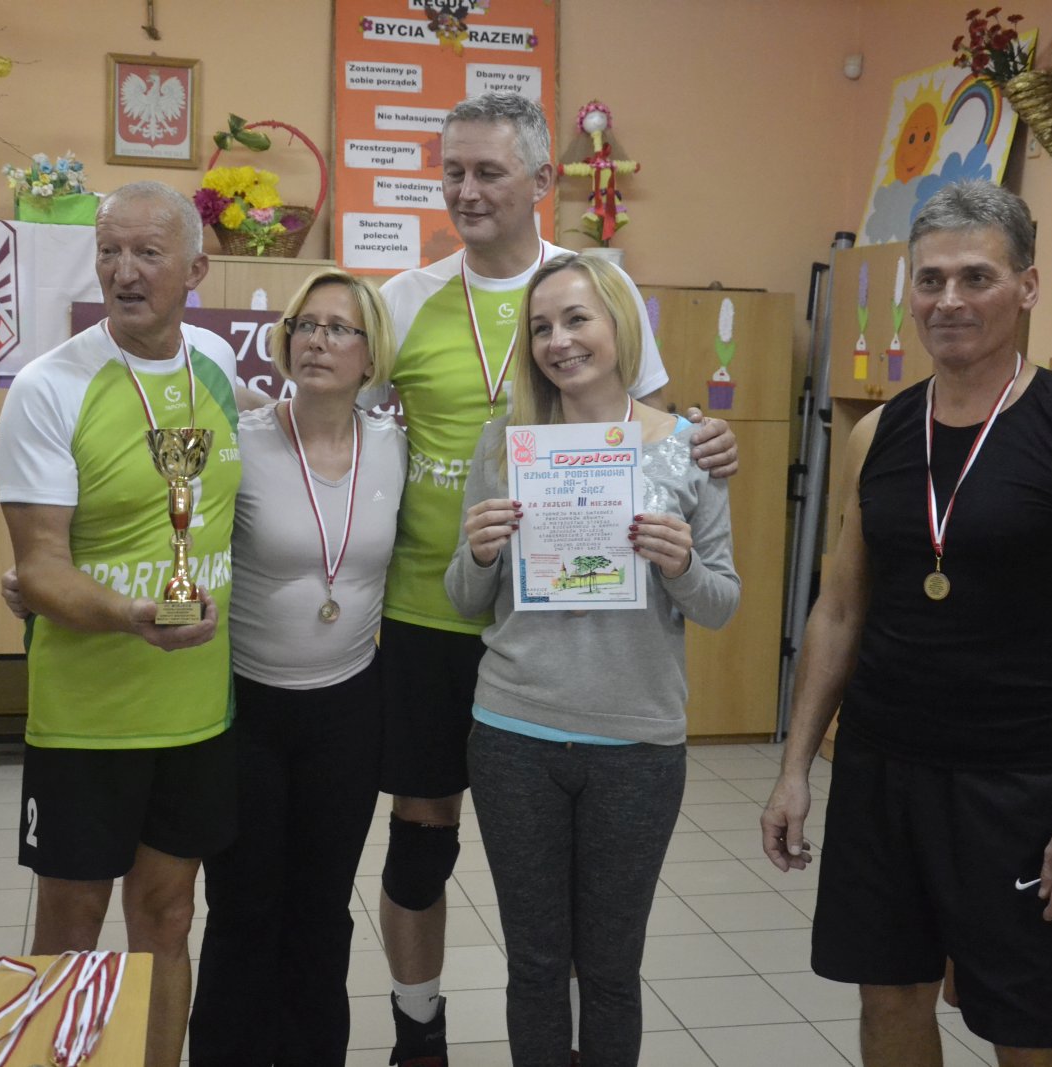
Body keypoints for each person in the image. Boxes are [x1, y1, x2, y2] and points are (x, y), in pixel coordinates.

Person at [372, 90, 739, 1066]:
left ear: (540, 180)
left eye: (488, 170)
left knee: (599, 954)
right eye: (452, 171)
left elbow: (654, 441)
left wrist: (704, 460)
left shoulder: (594, 295)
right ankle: (417, 1028)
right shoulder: (405, 302)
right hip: (440, 624)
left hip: (600, 678)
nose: (465, 189)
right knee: (425, 845)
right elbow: (342, 425)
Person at [759, 181, 1052, 1067]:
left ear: (1028, 286)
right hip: (881, 768)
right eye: (931, 279)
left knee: (1027, 1031)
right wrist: (794, 768)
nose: (949, 300)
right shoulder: (879, 434)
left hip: (1016, 782)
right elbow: (840, 608)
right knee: (887, 999)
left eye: (977, 276)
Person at [444, 252, 740, 1065]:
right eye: (541, 327)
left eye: (577, 319)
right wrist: (479, 551)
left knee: (610, 971)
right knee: (536, 966)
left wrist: (681, 565)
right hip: (515, 732)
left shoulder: (689, 447)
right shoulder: (505, 443)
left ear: (620, 325)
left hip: (637, 743)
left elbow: (721, 603)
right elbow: (464, 598)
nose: (559, 341)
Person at [0, 181, 248, 1067]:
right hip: (86, 718)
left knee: (169, 915)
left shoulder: (217, 364)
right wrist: (134, 617)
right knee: (71, 927)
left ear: (195, 270)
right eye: (109, 251)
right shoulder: (48, 387)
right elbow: (40, 567)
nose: (124, 272)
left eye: (147, 252)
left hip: (196, 712)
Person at [187, 270, 406, 1065]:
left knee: (321, 909)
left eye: (339, 328)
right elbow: (161, 527)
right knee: (243, 906)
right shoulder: (241, 440)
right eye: (305, 325)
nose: (317, 340)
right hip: (247, 707)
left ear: (370, 353)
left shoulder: (396, 446)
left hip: (347, 710)